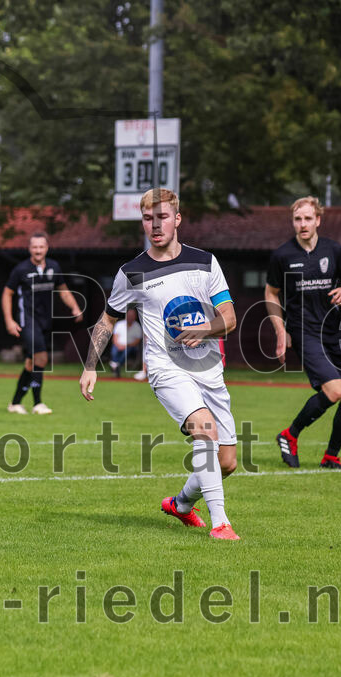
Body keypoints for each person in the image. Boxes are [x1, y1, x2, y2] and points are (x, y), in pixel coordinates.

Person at [79, 188, 241, 541]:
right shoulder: (132, 272)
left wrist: (206, 327)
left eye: (163, 217)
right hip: (165, 368)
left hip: (209, 370)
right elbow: (108, 320)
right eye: (148, 219)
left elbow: (228, 318)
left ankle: (180, 505)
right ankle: (221, 524)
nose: (155, 225)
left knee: (226, 463)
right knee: (204, 428)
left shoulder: (205, 262)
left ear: (177, 219)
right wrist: (91, 365)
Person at [265, 196, 341, 470]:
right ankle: (290, 435)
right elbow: (271, 293)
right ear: (293, 222)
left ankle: (331, 457)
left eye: (308, 218)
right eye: (297, 219)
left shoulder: (334, 250)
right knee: (334, 390)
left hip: (334, 330)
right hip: (304, 331)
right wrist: (280, 330)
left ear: (318, 220)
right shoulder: (282, 255)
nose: (303, 224)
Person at [2, 232, 84, 415]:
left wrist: (75, 307)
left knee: (31, 363)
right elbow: (7, 293)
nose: (38, 250)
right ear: (29, 249)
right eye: (34, 247)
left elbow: (63, 290)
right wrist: (9, 320)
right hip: (27, 320)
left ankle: (15, 403)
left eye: (41, 247)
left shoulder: (54, 267)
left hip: (45, 321)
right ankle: (38, 403)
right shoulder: (21, 269)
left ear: (47, 248)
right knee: (41, 357)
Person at [109, 308, 143, 378]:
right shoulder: (119, 324)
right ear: (126, 315)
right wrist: (119, 345)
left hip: (130, 346)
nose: (130, 317)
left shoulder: (137, 327)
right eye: (129, 315)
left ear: (135, 316)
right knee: (114, 351)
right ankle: (116, 366)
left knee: (126, 352)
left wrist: (126, 345)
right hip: (118, 345)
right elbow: (114, 338)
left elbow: (137, 341)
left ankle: (115, 365)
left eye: (132, 315)